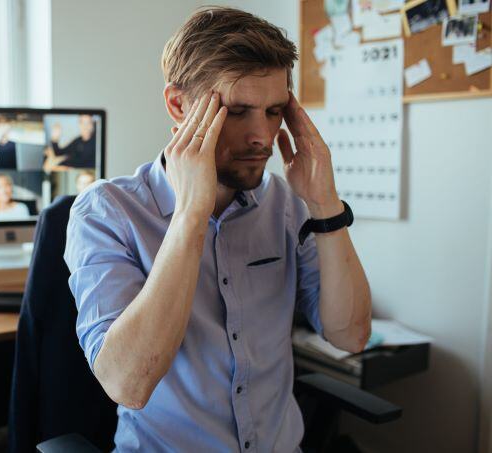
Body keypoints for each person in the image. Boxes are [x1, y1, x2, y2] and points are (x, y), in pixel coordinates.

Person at [63, 7, 371, 452]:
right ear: (177, 104)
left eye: (274, 111)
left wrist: (324, 202)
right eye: (239, 111)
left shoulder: (286, 206)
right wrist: (191, 214)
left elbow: (351, 335)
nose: (262, 137)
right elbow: (128, 383)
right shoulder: (107, 212)